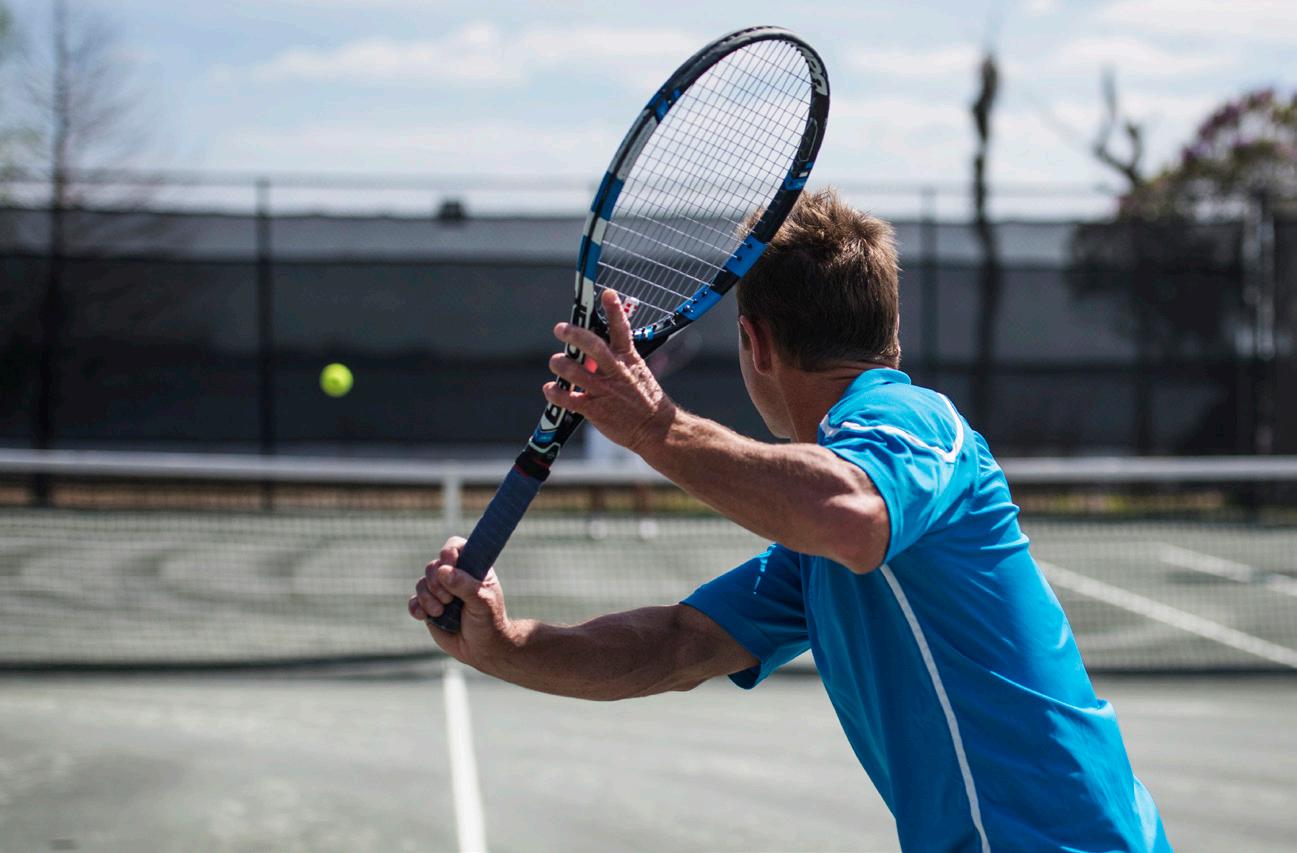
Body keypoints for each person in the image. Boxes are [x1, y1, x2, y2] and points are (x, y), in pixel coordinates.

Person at [408, 189, 1171, 852]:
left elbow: (848, 514)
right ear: (891, 327)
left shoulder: (910, 418)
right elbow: (678, 644)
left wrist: (654, 426)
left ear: (756, 343)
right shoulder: (821, 538)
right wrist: (504, 644)